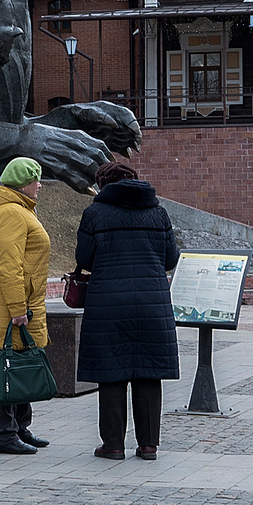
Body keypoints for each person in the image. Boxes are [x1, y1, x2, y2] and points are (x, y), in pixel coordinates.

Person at [74, 162, 180, 460]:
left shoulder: (95, 213)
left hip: (108, 301)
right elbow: (170, 258)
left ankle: (113, 445)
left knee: (111, 373)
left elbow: (84, 257)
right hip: (151, 302)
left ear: (104, 184)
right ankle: (148, 445)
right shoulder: (158, 212)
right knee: (148, 372)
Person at [0, 155, 53, 456]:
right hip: (11, 305)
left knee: (20, 364)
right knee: (8, 367)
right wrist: (18, 308)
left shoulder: (17, 210)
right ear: (24, 184)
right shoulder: (11, 213)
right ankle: (5, 434)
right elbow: (10, 266)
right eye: (36, 180)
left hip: (18, 302)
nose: (40, 186)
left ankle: (20, 428)